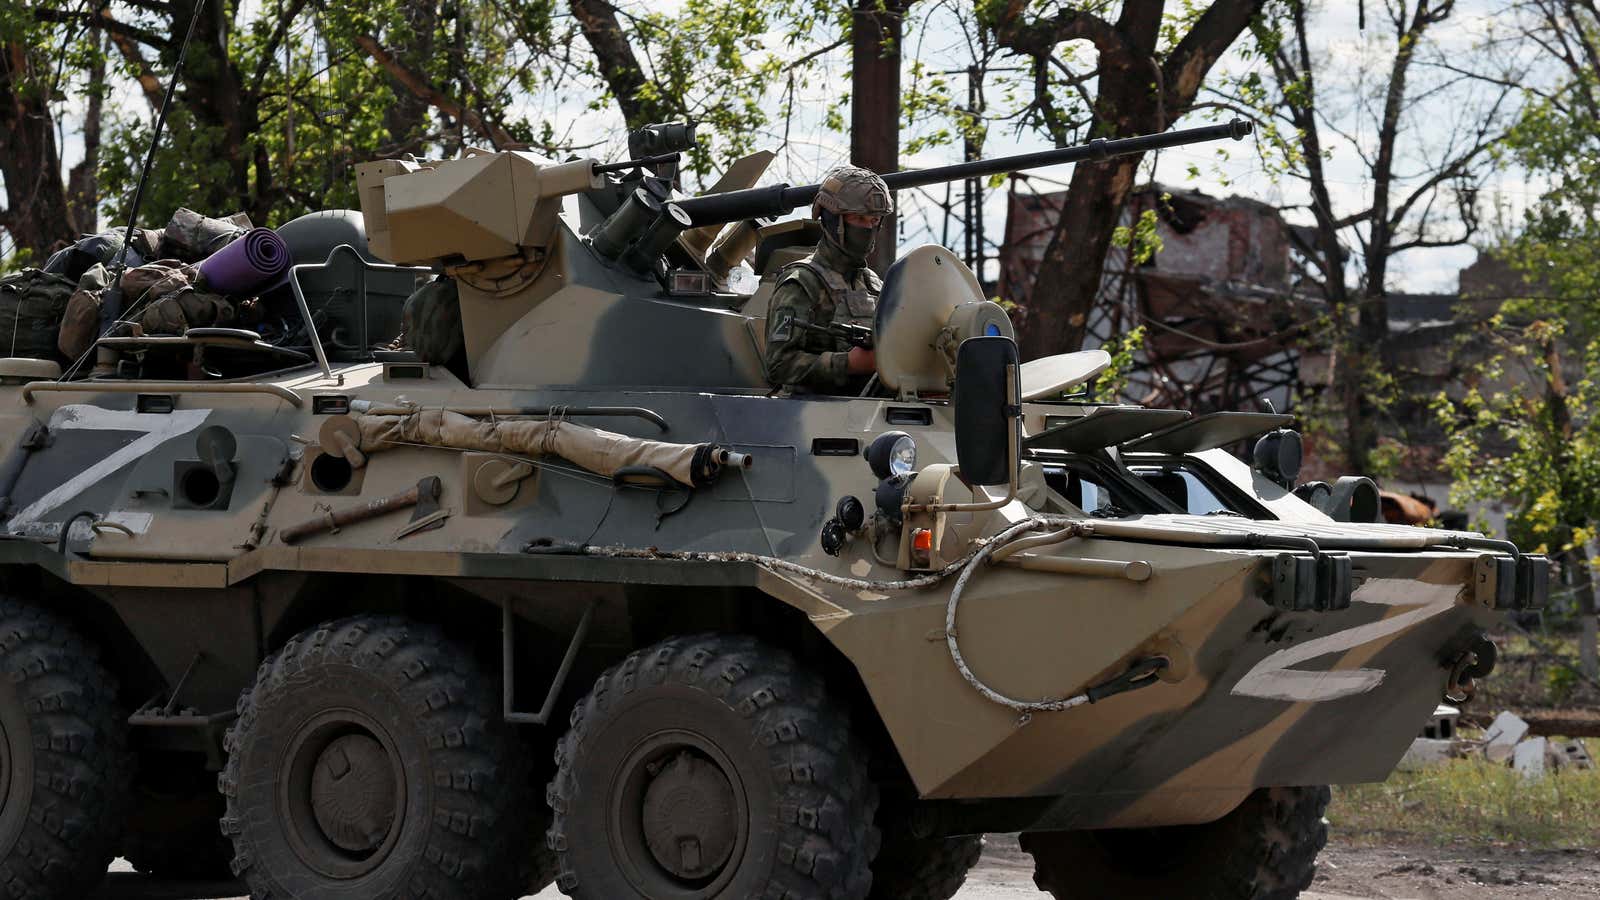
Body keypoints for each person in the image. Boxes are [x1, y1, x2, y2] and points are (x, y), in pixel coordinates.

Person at [764, 165, 892, 392]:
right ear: (833, 220)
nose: (868, 228)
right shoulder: (802, 282)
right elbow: (779, 364)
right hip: (810, 415)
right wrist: (848, 364)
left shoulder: (873, 284)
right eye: (859, 218)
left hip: (868, 411)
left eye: (874, 221)